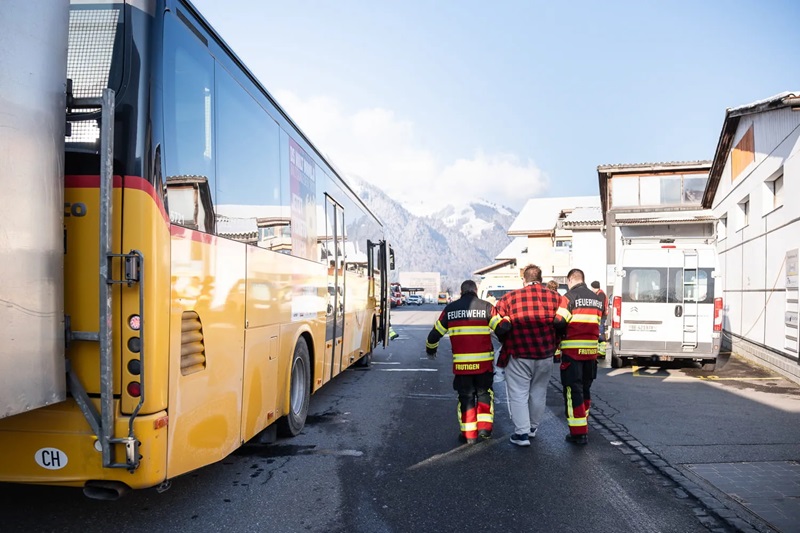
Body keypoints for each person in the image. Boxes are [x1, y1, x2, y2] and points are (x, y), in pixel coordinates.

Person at [426, 280, 510, 444]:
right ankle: (485, 430)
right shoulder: (486, 307)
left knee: (466, 398)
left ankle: (469, 435)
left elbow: (434, 334)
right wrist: (506, 322)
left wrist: (431, 349)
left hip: (462, 367)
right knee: (485, 394)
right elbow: (501, 329)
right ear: (476, 290)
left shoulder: (450, 309)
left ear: (461, 291)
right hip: (484, 365)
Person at [494, 265, 562, 447]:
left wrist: (505, 341)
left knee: (518, 393)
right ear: (541, 278)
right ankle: (532, 428)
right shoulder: (557, 298)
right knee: (539, 392)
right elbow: (563, 324)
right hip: (546, 354)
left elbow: (497, 325)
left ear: (524, 279)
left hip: (519, 353)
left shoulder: (509, 298)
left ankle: (522, 433)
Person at [555, 269, 604, 445]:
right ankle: (584, 425)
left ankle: (578, 432)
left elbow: (559, 321)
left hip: (572, 353)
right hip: (590, 353)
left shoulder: (569, 297)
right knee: (585, 389)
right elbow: (599, 325)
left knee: (572, 390)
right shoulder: (597, 299)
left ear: (570, 280)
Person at [590, 280, 608, 359]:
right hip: (601, 316)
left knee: (600, 332)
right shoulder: (600, 293)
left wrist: (598, 316)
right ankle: (600, 351)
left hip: (601, 316)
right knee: (600, 332)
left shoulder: (600, 294)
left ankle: (601, 352)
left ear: (594, 287)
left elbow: (600, 306)